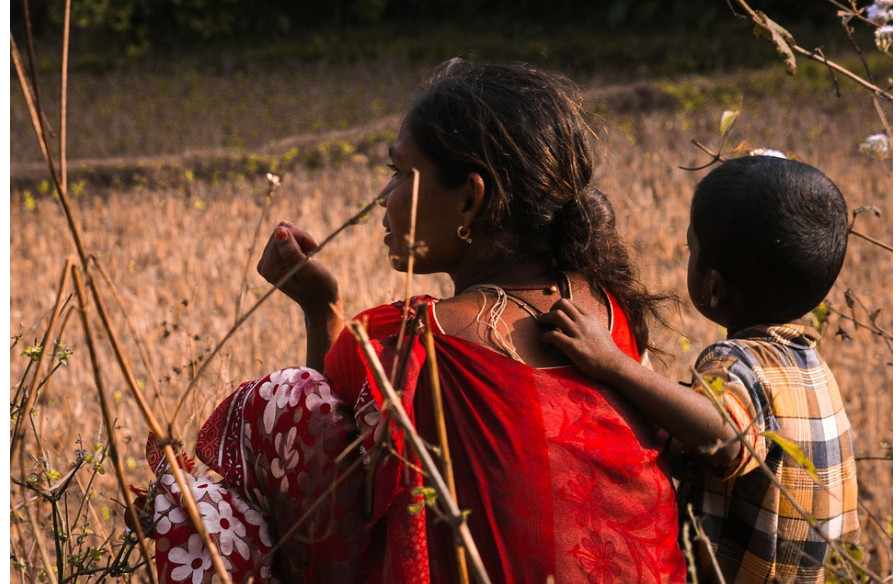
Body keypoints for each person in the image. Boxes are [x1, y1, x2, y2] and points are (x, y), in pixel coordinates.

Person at [135, 60, 687, 583]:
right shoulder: (609, 309)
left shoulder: (406, 338)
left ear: (470, 200)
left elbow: (322, 468)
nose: (383, 197)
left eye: (399, 173)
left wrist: (318, 308)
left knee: (263, 426)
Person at [538, 155, 860, 582]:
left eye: (691, 248)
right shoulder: (812, 369)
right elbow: (712, 452)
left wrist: (614, 365)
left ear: (713, 288)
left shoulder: (736, 363)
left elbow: (728, 440)